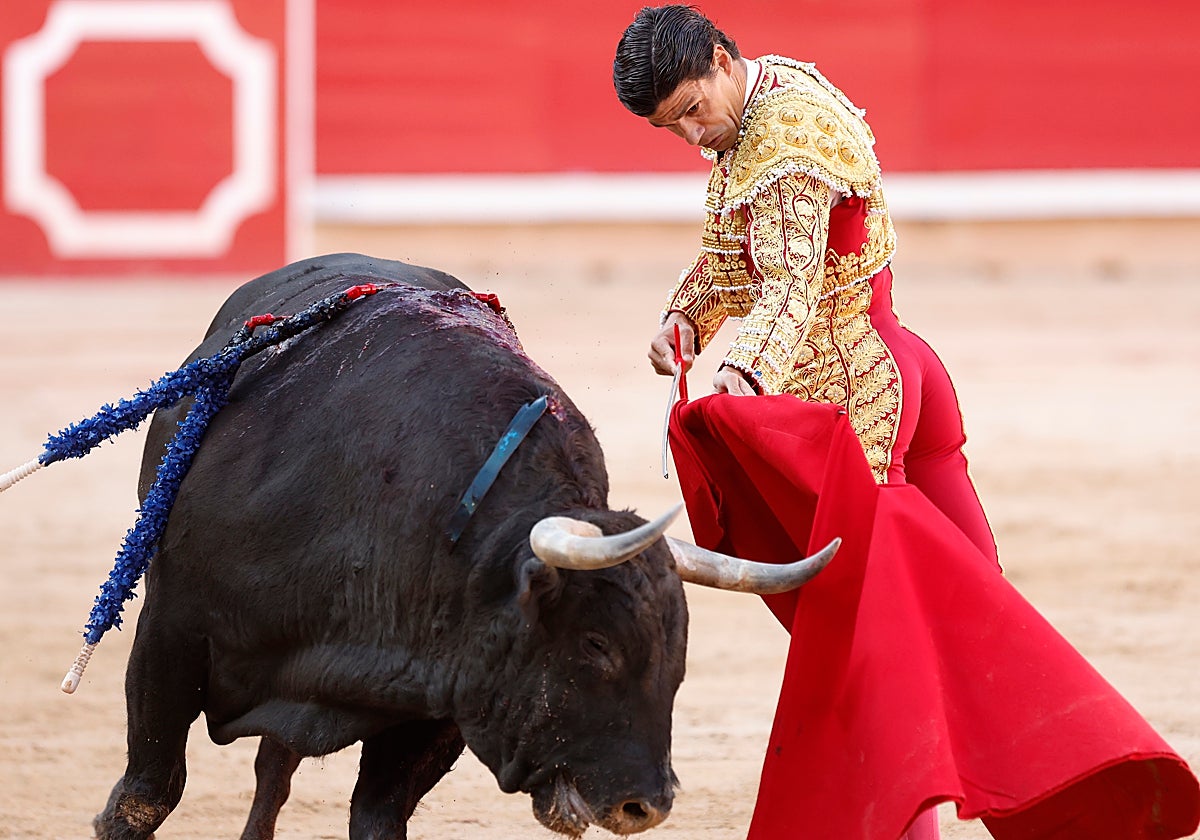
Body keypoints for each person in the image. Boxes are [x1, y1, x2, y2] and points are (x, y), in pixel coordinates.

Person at [613, 6, 1200, 840]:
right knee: (977, 616)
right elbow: (736, 261)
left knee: (875, 643)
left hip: (858, 406)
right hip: (906, 372)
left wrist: (744, 375)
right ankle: (1073, 804)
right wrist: (690, 319)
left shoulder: (779, 147)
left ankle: (912, 828)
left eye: (691, 110)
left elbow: (793, 286)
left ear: (718, 59)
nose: (691, 134)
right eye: (671, 127)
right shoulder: (777, 87)